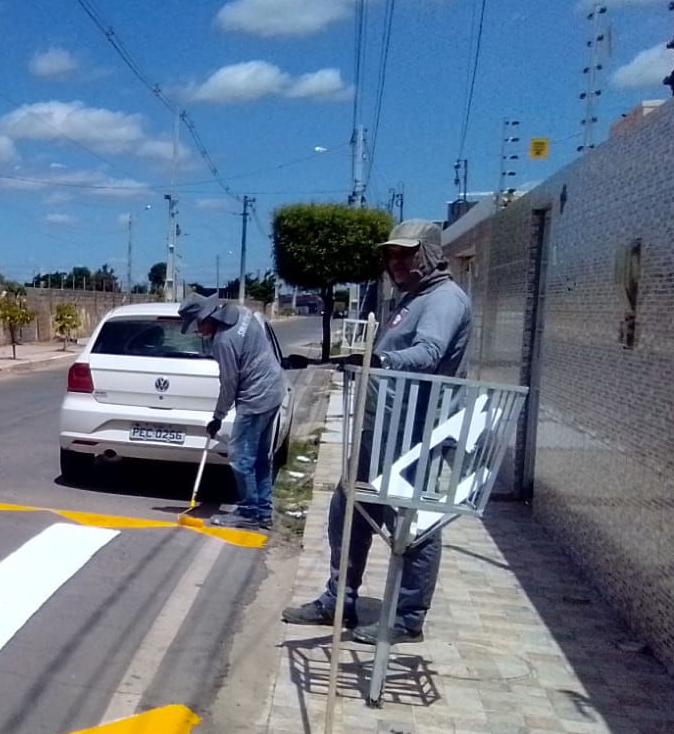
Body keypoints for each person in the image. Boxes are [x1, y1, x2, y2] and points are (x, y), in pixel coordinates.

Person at [280, 219, 472, 645]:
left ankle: (406, 618)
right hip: (383, 429)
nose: (396, 262)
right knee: (348, 509)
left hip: (415, 433)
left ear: (431, 254)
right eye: (390, 254)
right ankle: (339, 599)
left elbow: (429, 351)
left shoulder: (443, 300)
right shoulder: (412, 298)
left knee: (411, 525)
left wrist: (380, 362)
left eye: (406, 253)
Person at [177, 292, 286, 530]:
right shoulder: (243, 314)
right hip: (274, 389)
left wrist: (217, 417)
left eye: (196, 326)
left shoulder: (224, 342)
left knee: (240, 458)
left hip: (255, 399)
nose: (197, 332)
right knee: (259, 458)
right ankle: (263, 512)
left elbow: (229, 384)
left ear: (206, 317)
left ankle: (248, 513)